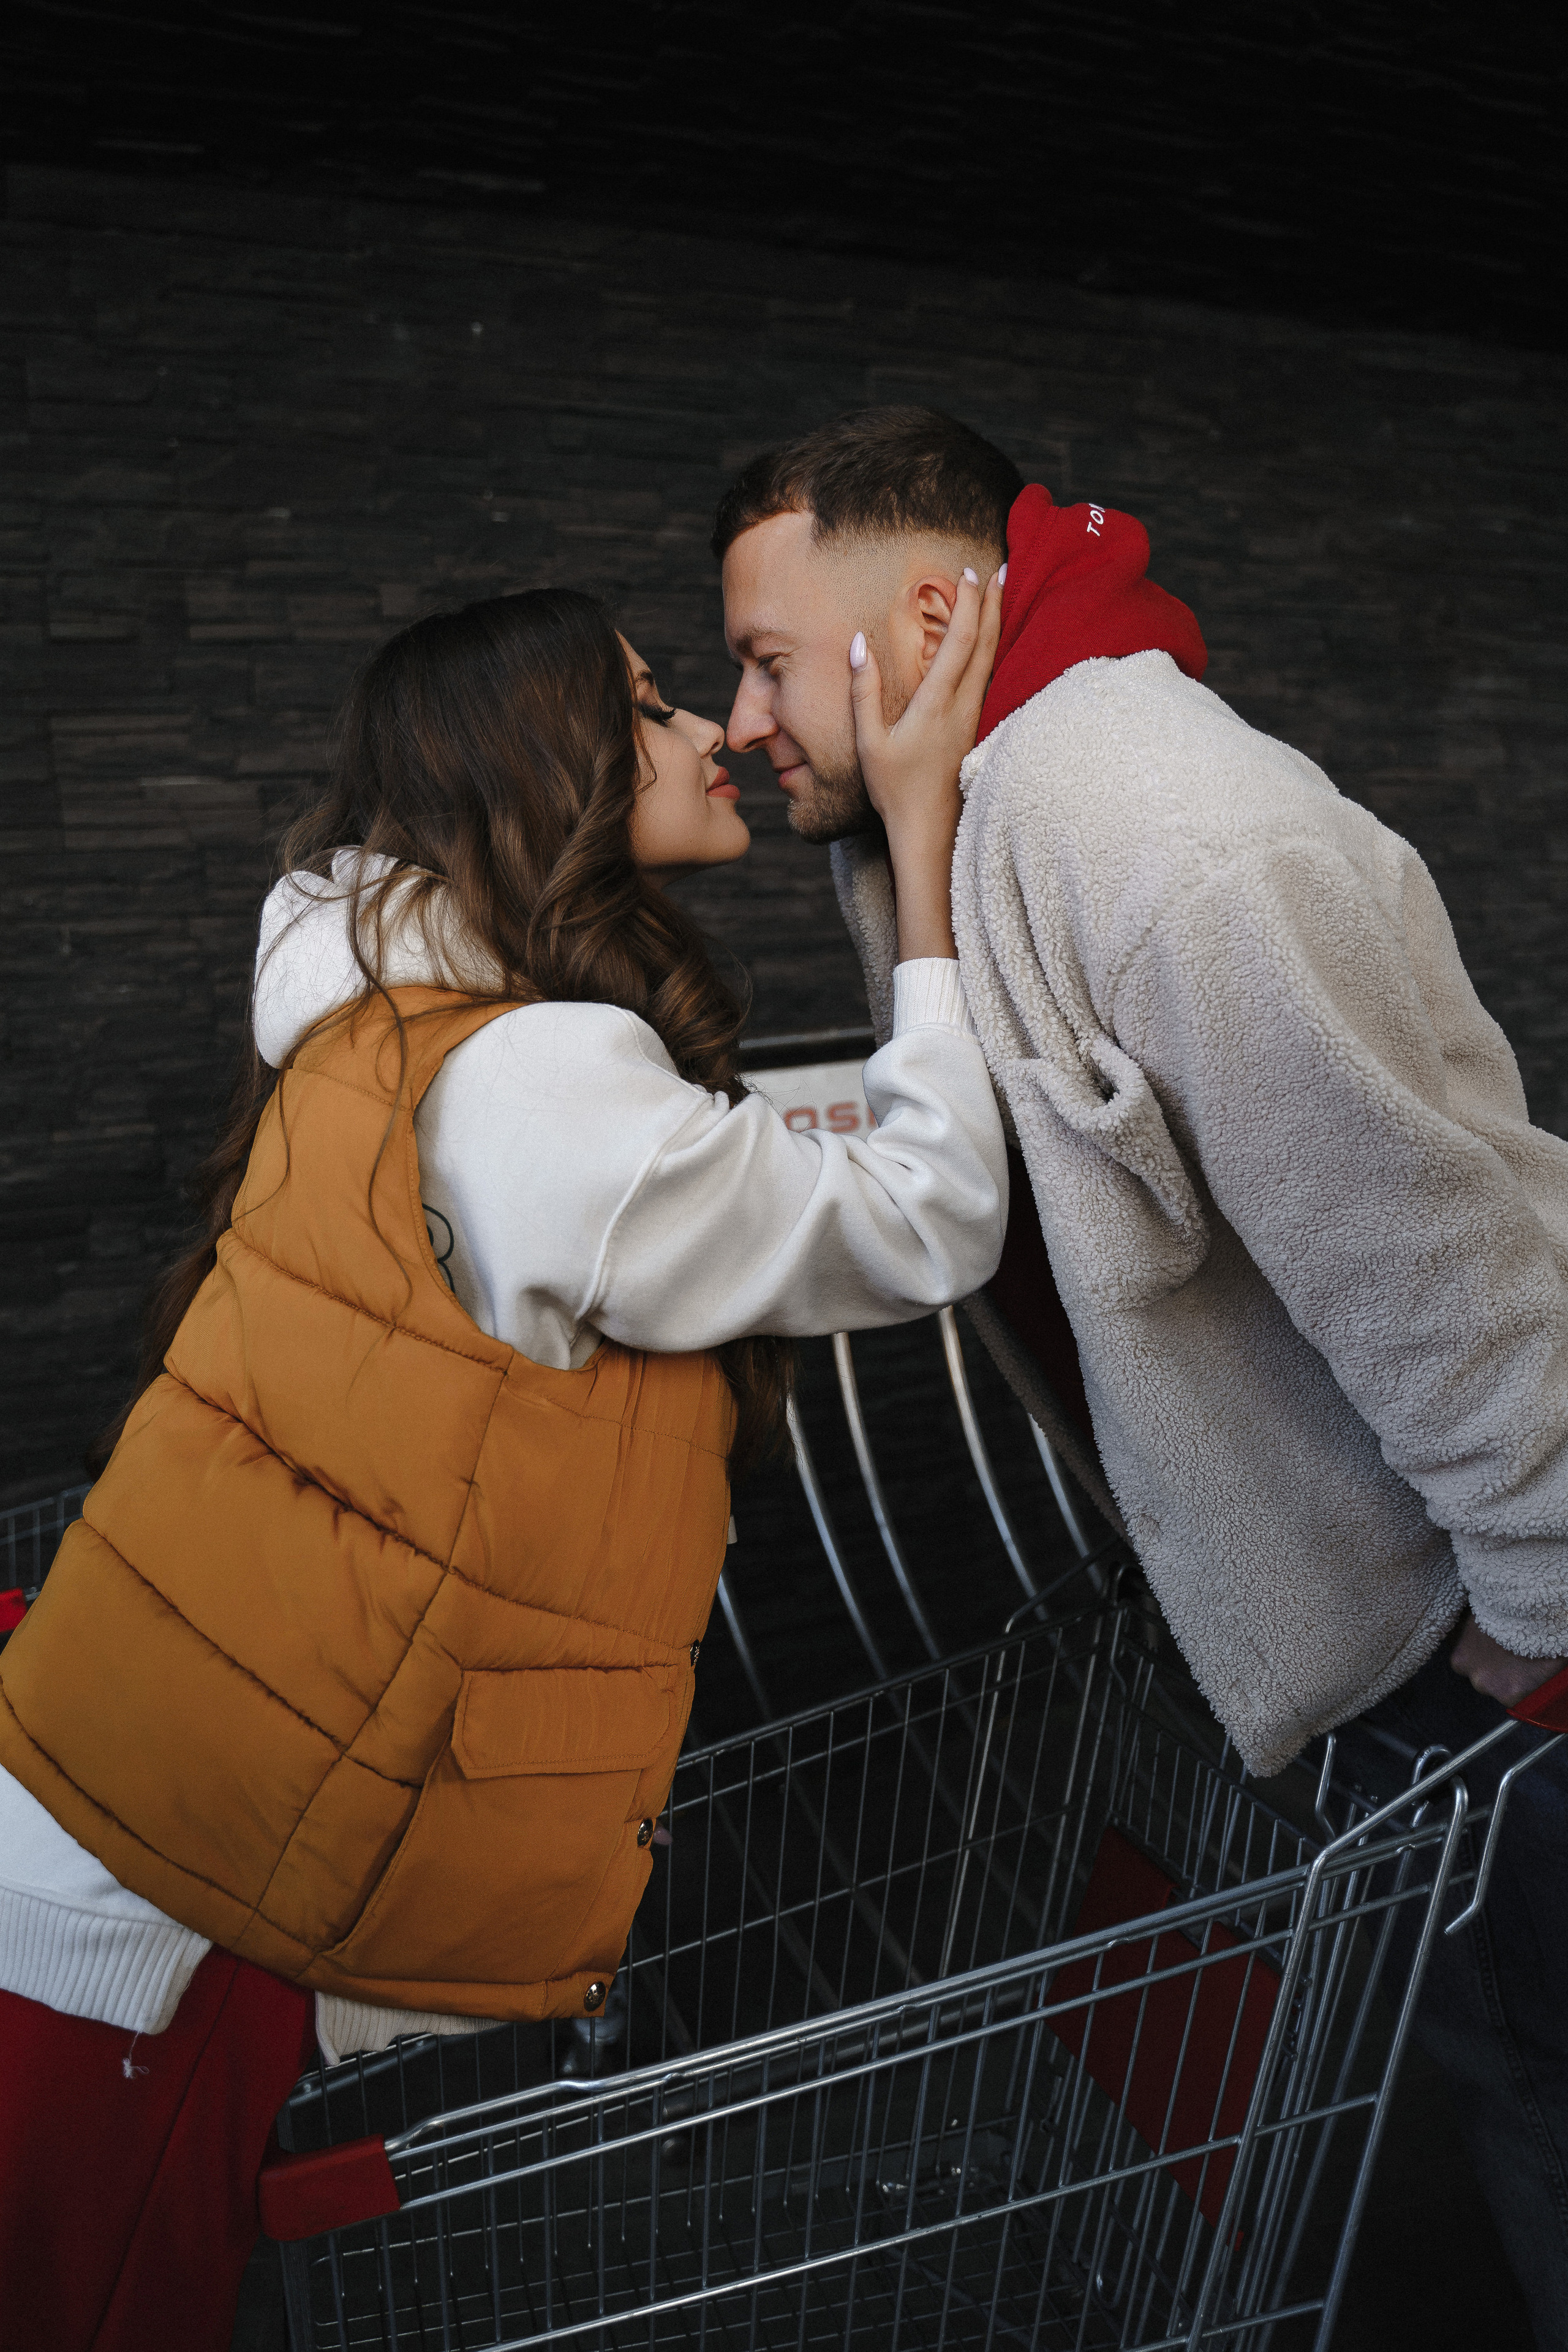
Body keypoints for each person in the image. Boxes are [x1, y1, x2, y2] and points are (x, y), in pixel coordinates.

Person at [0, 582, 1006, 2351]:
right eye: (644, 706)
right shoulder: (541, 1083)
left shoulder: (374, 1016)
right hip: (138, 1932)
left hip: (114, 1815)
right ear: (546, 769)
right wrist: (923, 857)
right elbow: (935, 1219)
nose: (709, 727)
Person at [714, 405, 1568, 2343]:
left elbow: (1430, 1248)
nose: (743, 716)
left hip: (1501, 1656)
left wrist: (1541, 1622)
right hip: (1403, 1644)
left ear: (925, 615)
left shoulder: (1156, 830)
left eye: (767, 661)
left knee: (1542, 2101)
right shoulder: (971, 809)